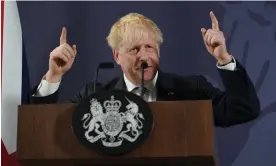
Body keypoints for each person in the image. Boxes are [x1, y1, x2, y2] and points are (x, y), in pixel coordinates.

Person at [30, 12, 260, 127]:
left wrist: (223, 58)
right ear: (117, 56)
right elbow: (44, 129)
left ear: (158, 50)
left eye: (149, 47)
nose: (143, 57)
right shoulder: (95, 96)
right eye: (134, 49)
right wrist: (54, 76)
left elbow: (244, 110)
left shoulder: (191, 89)